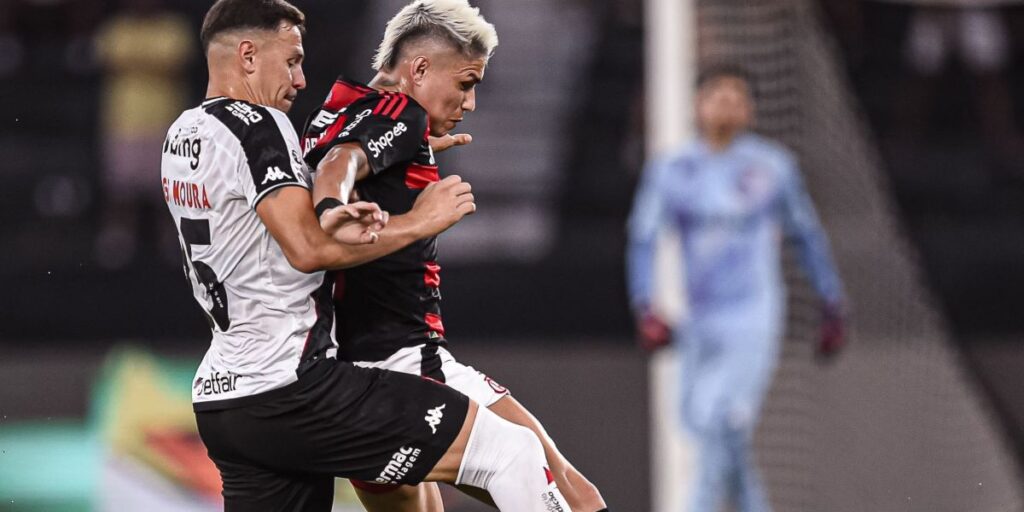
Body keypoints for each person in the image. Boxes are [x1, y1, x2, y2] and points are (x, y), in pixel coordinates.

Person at [163, 1, 573, 510]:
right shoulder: (260, 125)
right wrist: (420, 219)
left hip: (226, 399)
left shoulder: (182, 134)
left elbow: (267, 216)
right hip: (295, 386)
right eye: (291, 60)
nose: (300, 77)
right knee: (512, 453)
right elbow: (308, 248)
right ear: (248, 55)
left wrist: (399, 154)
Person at [301, 1, 608, 511]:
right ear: (418, 69)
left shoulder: (334, 109)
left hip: (350, 380)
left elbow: (345, 150)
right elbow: (342, 162)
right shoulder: (399, 113)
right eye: (465, 83)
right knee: (571, 491)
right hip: (407, 361)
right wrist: (333, 205)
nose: (470, 102)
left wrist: (407, 158)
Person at [626, 66, 846, 512]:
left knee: (717, 416)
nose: (726, 104)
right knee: (713, 430)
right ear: (697, 105)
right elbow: (644, 238)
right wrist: (645, 305)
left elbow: (805, 235)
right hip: (699, 319)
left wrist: (831, 301)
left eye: (736, 97)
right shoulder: (672, 169)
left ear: (750, 109)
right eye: (717, 96)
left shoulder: (772, 166)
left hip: (754, 314)